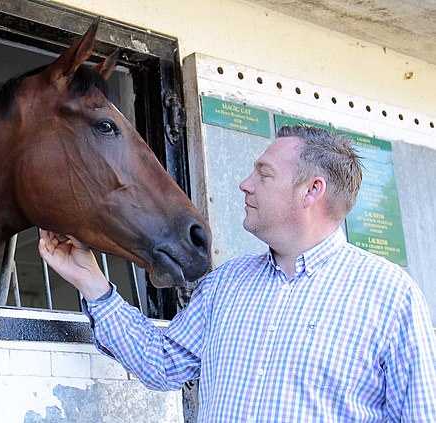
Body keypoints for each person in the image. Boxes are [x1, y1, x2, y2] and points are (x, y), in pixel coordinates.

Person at [38, 124, 436, 422]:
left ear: (311, 191)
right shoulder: (226, 285)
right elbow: (161, 363)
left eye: (264, 174)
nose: (245, 184)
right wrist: (92, 282)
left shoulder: (390, 296)